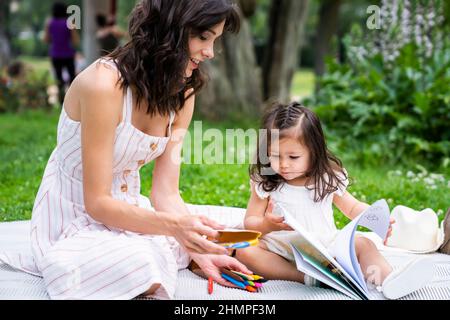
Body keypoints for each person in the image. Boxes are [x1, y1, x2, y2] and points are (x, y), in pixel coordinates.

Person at [0, 0, 251, 300]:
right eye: (203, 37)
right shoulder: (103, 85)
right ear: (169, 29)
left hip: (129, 209)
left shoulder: (183, 93)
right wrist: (176, 229)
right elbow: (98, 204)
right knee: (139, 263)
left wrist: (198, 252)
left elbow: (166, 193)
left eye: (215, 40)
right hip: (75, 219)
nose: (209, 52)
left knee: (227, 228)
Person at [235, 102, 434, 299]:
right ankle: (305, 277)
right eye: (275, 156)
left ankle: (390, 280)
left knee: (364, 244)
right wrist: (267, 225)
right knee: (245, 250)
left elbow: (352, 207)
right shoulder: (265, 182)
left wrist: (373, 218)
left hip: (324, 248)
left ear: (314, 152)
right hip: (279, 250)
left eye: (293, 157)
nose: (284, 165)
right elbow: (250, 222)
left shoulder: (326, 178)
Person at [44, 2, 79, 104]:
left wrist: (55, 38)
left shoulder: (49, 22)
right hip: (68, 54)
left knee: (59, 79)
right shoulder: (69, 22)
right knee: (72, 78)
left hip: (55, 54)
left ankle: (61, 101)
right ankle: (73, 100)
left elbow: (46, 39)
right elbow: (75, 40)